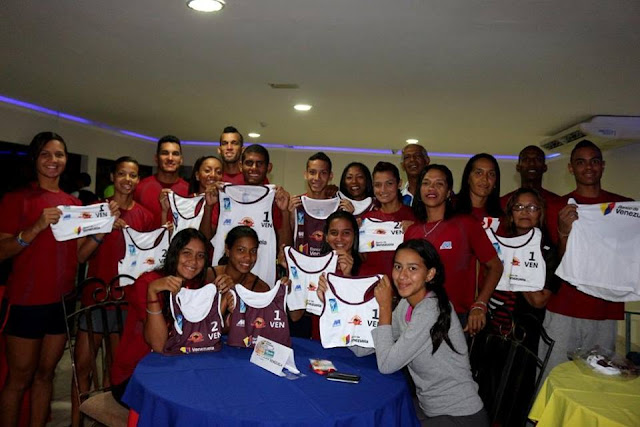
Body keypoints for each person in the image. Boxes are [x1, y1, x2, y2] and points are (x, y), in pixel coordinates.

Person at [0, 132, 82, 426]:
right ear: (35, 159)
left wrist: (101, 227)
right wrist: (35, 228)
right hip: (26, 301)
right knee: (18, 379)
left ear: (66, 160)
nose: (52, 160)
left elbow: (79, 256)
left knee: (46, 375)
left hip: (61, 303)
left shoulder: (73, 203)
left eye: (58, 154)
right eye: (45, 154)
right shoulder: (16, 199)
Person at [539, 140, 633, 383]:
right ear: (571, 168)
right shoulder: (557, 207)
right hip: (564, 306)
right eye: (580, 162)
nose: (588, 167)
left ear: (602, 166)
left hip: (605, 308)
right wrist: (562, 231)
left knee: (599, 379)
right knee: (553, 376)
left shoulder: (625, 207)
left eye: (594, 161)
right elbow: (556, 262)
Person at [73, 156, 153, 426]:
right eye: (122, 174)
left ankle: (102, 420)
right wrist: (104, 225)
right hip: (94, 300)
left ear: (138, 180)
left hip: (125, 302)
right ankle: (76, 421)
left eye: (133, 175)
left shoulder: (145, 216)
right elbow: (81, 256)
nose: (127, 180)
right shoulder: (97, 209)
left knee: (114, 370)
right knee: (82, 366)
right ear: (112, 177)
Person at [371, 239, 488, 426]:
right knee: (383, 417)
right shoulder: (406, 304)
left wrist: (384, 307)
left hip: (461, 417)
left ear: (430, 274)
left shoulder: (429, 310)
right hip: (430, 409)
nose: (402, 276)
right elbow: (375, 343)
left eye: (412, 269)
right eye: (398, 267)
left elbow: (386, 364)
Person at [110, 228, 216, 406]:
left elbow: (206, 333)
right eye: (187, 253)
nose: (193, 261)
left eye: (200, 256)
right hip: (134, 377)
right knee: (191, 403)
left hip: (177, 368)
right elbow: (159, 345)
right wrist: (152, 292)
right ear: (174, 254)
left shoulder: (198, 284)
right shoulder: (148, 282)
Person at [404, 164, 502, 336]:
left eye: (439, 184)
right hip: (417, 315)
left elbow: (495, 266)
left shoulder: (466, 224)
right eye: (426, 183)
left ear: (449, 191)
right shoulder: (412, 231)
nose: (431, 188)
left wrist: (481, 304)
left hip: (457, 317)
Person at [359, 162, 415, 278]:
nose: (383, 190)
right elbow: (363, 258)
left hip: (406, 285)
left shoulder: (414, 216)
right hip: (374, 286)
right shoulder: (366, 220)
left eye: (389, 184)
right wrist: (355, 234)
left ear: (399, 183)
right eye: (378, 185)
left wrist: (415, 230)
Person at [290, 152, 348, 256]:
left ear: (330, 176)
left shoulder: (341, 207)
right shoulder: (295, 205)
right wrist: (287, 215)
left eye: (323, 173)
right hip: (302, 269)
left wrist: (350, 216)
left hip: (331, 269)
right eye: (312, 172)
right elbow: (287, 241)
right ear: (305, 174)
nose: (317, 178)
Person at [134, 135, 189, 228]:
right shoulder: (140, 188)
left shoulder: (189, 190)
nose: (170, 158)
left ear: (181, 160)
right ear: (156, 158)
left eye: (175, 154)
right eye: (165, 153)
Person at [500, 145, 560, 210]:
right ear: (518, 167)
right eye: (526, 159)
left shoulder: (558, 202)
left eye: (538, 159)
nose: (532, 163)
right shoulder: (503, 202)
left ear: (545, 167)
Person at [456, 153, 503, 221]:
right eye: (479, 173)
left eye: (491, 174)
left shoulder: (502, 218)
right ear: (468, 178)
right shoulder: (450, 209)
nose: (485, 179)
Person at [187, 155, 224, 240]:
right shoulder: (187, 200)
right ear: (197, 175)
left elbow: (206, 238)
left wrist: (209, 207)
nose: (213, 175)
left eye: (218, 172)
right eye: (207, 170)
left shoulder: (223, 204)